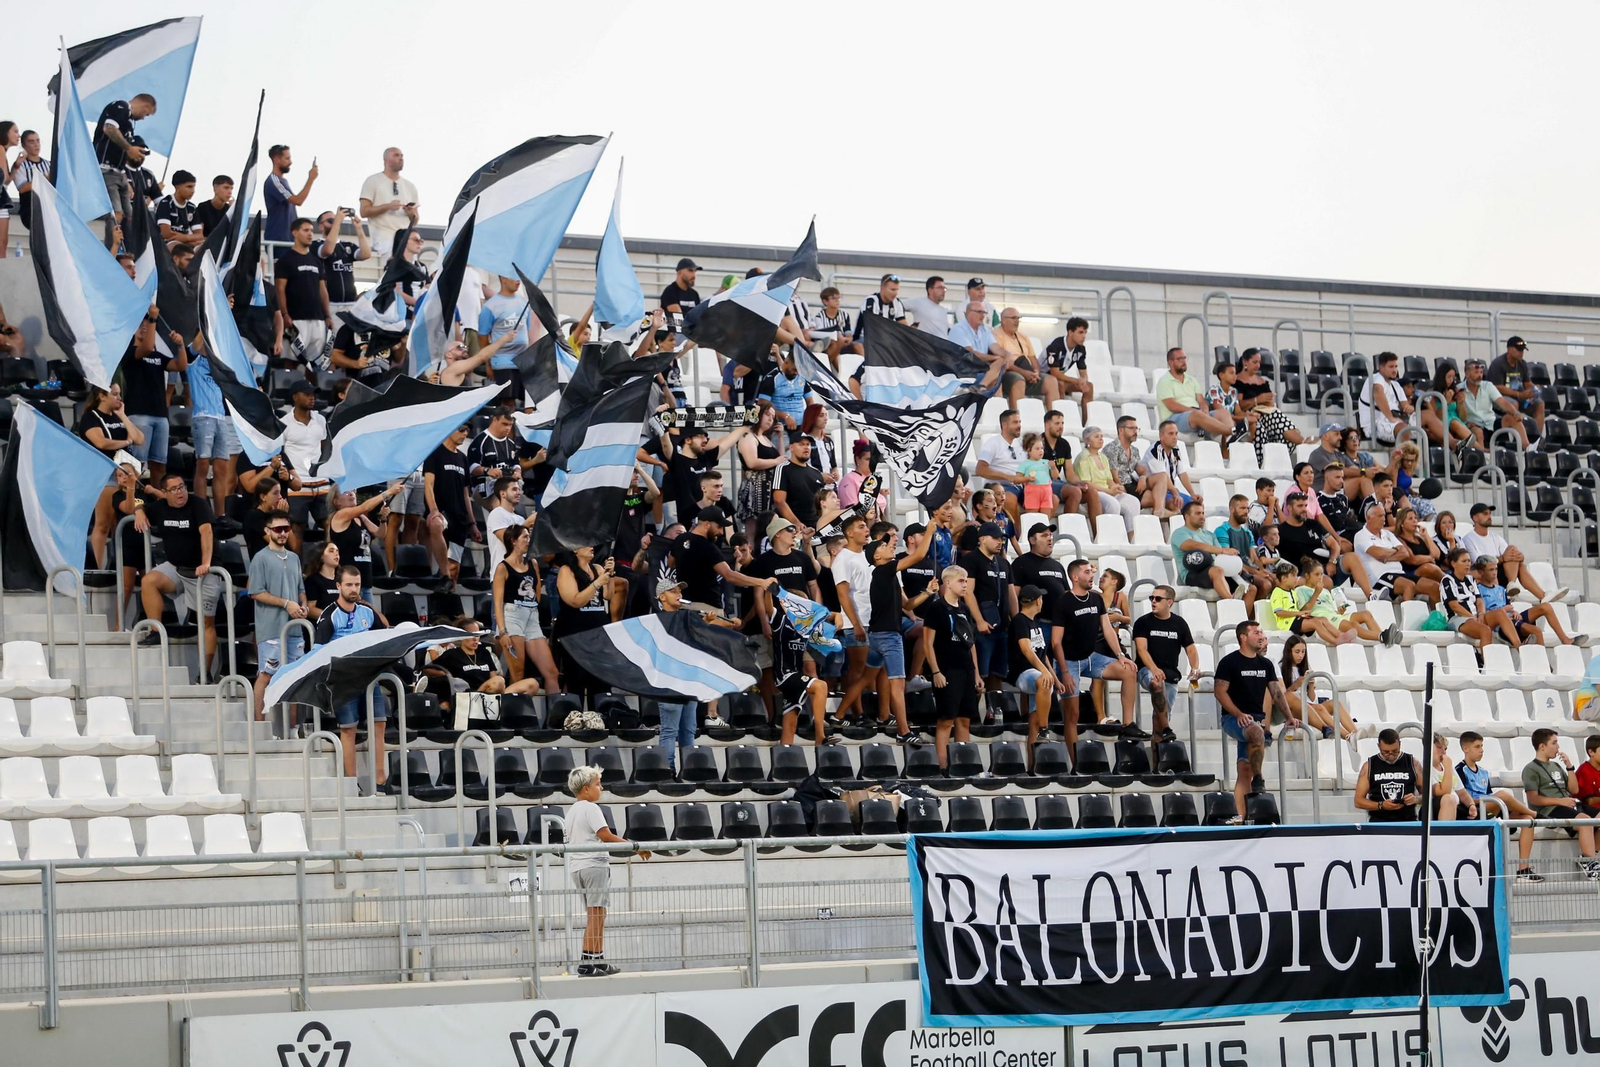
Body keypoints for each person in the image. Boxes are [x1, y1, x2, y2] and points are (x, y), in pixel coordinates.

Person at [564, 764, 649, 976]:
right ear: (585, 788)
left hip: (578, 866)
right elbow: (605, 835)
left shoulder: (572, 810)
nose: (601, 788)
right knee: (596, 914)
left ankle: (598, 958)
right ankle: (587, 961)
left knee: (598, 913)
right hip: (594, 865)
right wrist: (634, 847)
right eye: (597, 784)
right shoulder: (591, 808)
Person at [1214, 620, 1299, 822]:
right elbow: (1219, 691)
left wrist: (1288, 717)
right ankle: (1260, 779)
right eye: (1256, 632)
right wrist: (1238, 714)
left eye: (1262, 632)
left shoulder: (1266, 664)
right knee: (1257, 732)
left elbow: (1276, 692)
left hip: (1256, 720)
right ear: (1243, 637)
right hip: (1232, 719)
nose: (1261, 636)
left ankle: (1241, 818)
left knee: (1245, 770)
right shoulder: (1229, 662)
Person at [310, 566, 388, 785]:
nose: (354, 589)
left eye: (357, 585)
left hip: (369, 678)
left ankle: (381, 781)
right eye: (349, 585)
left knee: (379, 724)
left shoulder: (367, 611)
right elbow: (318, 652)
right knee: (349, 729)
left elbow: (384, 635)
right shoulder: (329, 615)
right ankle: (351, 783)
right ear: (338, 586)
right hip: (343, 680)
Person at [1051, 559, 1140, 748]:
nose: (1091, 575)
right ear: (1075, 577)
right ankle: (1075, 763)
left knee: (1129, 670)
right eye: (1086, 572)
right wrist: (1065, 672)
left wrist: (1120, 655)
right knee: (1072, 715)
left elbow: (1107, 629)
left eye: (1091, 571)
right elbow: (1056, 641)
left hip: (1090, 657)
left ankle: (1127, 725)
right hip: (1069, 661)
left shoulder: (1096, 598)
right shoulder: (1064, 601)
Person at [866, 530, 935, 743]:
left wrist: (927, 593)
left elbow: (907, 605)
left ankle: (840, 715)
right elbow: (918, 556)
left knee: (865, 678)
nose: (889, 546)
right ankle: (903, 732)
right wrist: (931, 529)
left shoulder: (886, 575)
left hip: (876, 636)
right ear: (876, 557)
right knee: (897, 685)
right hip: (888, 637)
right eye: (883, 545)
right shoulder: (884, 570)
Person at [1453, 730, 1541, 879]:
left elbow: (1488, 794)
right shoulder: (1460, 770)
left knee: (1527, 820)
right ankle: (1536, 814)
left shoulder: (1483, 772)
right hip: (1471, 812)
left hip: (1488, 808)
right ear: (1465, 749)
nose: (1481, 750)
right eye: (1477, 747)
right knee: (1503, 795)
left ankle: (1523, 870)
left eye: (1482, 746)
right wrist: (1486, 799)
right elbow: (1462, 798)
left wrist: (1490, 799)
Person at [248, 515, 307, 718]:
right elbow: (255, 591)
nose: (282, 533)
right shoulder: (260, 558)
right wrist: (286, 603)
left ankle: (293, 728)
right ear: (268, 531)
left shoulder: (294, 558)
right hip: (271, 627)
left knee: (295, 676)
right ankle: (258, 725)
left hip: (294, 628)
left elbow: (301, 589)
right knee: (266, 674)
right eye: (278, 529)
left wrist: (303, 605)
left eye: (286, 529)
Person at [920, 566, 980, 767]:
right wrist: (936, 671)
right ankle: (943, 766)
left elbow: (970, 643)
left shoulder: (964, 609)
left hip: (966, 669)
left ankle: (963, 765)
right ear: (948, 583)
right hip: (947, 669)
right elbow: (927, 643)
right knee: (946, 720)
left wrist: (977, 674)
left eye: (965, 581)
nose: (965, 585)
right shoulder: (936, 609)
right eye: (961, 581)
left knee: (964, 720)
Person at [1521, 727, 1600, 879]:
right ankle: (1590, 862)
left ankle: (1591, 855)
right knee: (1585, 820)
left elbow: (1574, 789)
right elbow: (1533, 799)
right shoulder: (1531, 768)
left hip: (1569, 803)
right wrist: (1560, 801)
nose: (1558, 747)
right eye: (1554, 743)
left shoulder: (1556, 766)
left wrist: (1569, 767)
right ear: (1542, 746)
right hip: (1550, 808)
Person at [1131, 585, 1199, 745]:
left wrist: (1195, 668)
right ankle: (1168, 728)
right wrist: (1154, 669)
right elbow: (1141, 649)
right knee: (1156, 683)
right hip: (1147, 669)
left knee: (1159, 720)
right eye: (1151, 598)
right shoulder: (1143, 622)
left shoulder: (1179, 623)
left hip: (1170, 674)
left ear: (1170, 602)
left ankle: (1157, 763)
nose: (1153, 601)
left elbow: (1191, 649)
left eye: (1158, 599)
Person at [1461, 502, 1563, 604]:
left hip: (1497, 573)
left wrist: (1520, 557)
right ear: (1475, 518)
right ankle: (1532, 593)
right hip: (1483, 575)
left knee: (1513, 551)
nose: (1489, 516)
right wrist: (1502, 559)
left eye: (1489, 514)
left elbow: (1509, 555)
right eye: (1485, 514)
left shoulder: (1495, 537)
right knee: (1514, 561)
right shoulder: (1468, 539)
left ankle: (1521, 588)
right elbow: (1479, 563)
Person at [1475, 555, 1586, 647]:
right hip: (1502, 626)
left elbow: (1509, 606)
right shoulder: (1478, 590)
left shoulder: (1500, 589)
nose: (1494, 573)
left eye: (1495, 569)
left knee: (1545, 606)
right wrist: (1505, 611)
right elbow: (1483, 616)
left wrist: (1514, 612)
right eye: (1491, 570)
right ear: (1481, 572)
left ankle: (1565, 639)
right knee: (1537, 631)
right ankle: (1544, 666)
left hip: (1513, 619)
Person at [92, 93, 157, 247]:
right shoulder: (120, 106)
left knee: (129, 215)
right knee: (116, 213)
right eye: (146, 114)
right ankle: (112, 247)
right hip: (106, 169)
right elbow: (109, 128)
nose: (143, 118)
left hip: (118, 172)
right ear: (145, 106)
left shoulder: (128, 123)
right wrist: (129, 148)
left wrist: (124, 177)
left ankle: (127, 246)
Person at [274, 218, 334, 361]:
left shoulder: (316, 261)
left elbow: (322, 290)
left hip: (317, 319)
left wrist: (327, 315)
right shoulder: (285, 260)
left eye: (312, 231)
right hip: (295, 319)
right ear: (295, 233)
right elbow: (279, 289)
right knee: (291, 361)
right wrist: (285, 314)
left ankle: (313, 385)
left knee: (317, 363)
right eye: (306, 230)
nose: (310, 234)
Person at [1279, 633, 1355, 741]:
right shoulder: (1281, 668)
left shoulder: (1304, 667)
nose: (1300, 655)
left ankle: (1355, 733)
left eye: (1303, 652)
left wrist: (1311, 686)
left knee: (1335, 703)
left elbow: (1312, 699)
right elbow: (1282, 695)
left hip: (1308, 704)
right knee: (1319, 708)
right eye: (1297, 652)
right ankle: (1347, 736)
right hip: (1294, 709)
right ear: (1289, 651)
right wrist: (1296, 685)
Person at [423, 426, 475, 585]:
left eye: (468, 431)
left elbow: (466, 494)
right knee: (436, 524)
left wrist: (472, 523)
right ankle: (443, 573)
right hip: (442, 510)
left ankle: (450, 600)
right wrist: (433, 510)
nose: (465, 434)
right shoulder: (435, 453)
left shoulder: (463, 458)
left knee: (455, 571)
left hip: (459, 515)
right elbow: (428, 485)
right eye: (462, 430)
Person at [1439, 547, 1515, 649]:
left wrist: (1481, 614)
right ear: (1453, 563)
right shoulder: (1447, 580)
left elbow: (1479, 601)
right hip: (1457, 618)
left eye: (1469, 561)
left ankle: (1519, 647)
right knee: (1485, 630)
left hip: (1474, 616)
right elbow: (1454, 605)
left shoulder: (1471, 579)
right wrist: (1472, 617)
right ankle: (1486, 662)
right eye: (1464, 561)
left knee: (1500, 613)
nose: (1468, 564)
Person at [1171, 500, 1245, 602]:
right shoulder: (1179, 533)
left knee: (1252, 587)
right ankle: (1230, 602)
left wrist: (1234, 565)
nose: (1202, 516)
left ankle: (1244, 615)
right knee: (1217, 571)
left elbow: (1220, 555)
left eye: (1203, 513)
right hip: (1192, 572)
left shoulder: (1209, 534)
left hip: (1214, 570)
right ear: (1187, 516)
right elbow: (1193, 545)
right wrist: (1222, 550)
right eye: (1197, 513)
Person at [1156, 347, 1234, 440]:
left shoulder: (1192, 380)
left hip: (1196, 415)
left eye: (1185, 358)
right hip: (1173, 419)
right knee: (1198, 415)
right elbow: (1172, 406)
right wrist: (1193, 410)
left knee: (1223, 413)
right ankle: (1233, 432)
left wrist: (1205, 409)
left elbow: (1201, 400)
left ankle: (1230, 443)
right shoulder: (1164, 381)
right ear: (1170, 362)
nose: (1184, 362)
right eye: (1179, 359)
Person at [1074, 426, 1140, 533]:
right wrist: (1109, 491)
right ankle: (1109, 535)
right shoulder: (1083, 458)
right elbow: (1087, 483)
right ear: (1087, 440)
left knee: (1133, 502)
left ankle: (1130, 538)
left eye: (1101, 436)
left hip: (1107, 491)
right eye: (1096, 437)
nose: (1101, 439)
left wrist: (1115, 487)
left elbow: (1109, 479)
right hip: (1094, 493)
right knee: (1112, 504)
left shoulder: (1103, 457)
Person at [358, 147, 419, 260]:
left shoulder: (410, 186)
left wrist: (411, 213)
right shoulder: (372, 181)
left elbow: (415, 221)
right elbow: (364, 211)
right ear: (386, 159)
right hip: (384, 240)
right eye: (396, 155)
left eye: (402, 155)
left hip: (406, 240)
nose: (400, 158)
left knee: (413, 272)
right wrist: (388, 206)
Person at [1353, 503, 1419, 603]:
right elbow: (1379, 554)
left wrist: (1386, 557)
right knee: (1409, 585)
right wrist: (1395, 549)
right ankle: (1410, 618)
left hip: (1399, 574)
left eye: (1384, 515)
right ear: (1368, 518)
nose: (1384, 518)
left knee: (1433, 586)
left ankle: (1439, 618)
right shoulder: (1361, 535)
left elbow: (1405, 553)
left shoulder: (1388, 533)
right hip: (1379, 578)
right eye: (1380, 516)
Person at [1100, 415, 1164, 518]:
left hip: (1133, 483)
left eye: (1136, 428)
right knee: (1160, 498)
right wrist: (1124, 493)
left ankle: (1158, 511)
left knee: (1161, 476)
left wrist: (1143, 478)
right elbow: (1114, 477)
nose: (1135, 431)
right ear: (1121, 430)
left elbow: (1143, 470)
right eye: (1131, 428)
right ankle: (1159, 512)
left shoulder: (1134, 450)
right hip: (1123, 486)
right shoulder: (1111, 449)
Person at [1355, 729, 1423, 823]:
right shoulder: (1369, 766)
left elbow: (1427, 795)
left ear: (1400, 744)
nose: (1391, 755)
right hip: (1379, 821)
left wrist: (1415, 799)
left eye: (1395, 751)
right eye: (1386, 752)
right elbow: (1358, 801)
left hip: (1408, 821)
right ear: (1379, 747)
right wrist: (1381, 805)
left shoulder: (1412, 763)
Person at [974, 409, 1029, 525]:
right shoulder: (992, 443)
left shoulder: (1021, 444)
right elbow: (980, 469)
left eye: (1020, 422)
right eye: (1015, 422)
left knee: (1049, 497)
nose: (1019, 426)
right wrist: (1007, 477)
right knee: (1008, 498)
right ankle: (1017, 537)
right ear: (1004, 425)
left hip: (1022, 484)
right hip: (1001, 486)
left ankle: (1036, 533)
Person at [1487, 337, 1545, 444]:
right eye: (1519, 350)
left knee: (1539, 404)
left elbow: (1526, 382)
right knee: (1514, 404)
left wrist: (1534, 390)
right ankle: (1517, 440)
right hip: (1498, 398)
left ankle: (1537, 438)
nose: (1521, 353)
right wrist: (1519, 394)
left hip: (1518, 396)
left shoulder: (1522, 364)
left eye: (1522, 350)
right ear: (1509, 349)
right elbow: (1498, 387)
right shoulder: (1498, 364)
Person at [316, 207, 372, 315]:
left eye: (336, 220)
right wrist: (337, 221)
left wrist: (359, 229)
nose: (335, 222)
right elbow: (327, 250)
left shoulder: (347, 245)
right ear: (320, 226)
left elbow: (366, 254)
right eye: (331, 221)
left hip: (350, 302)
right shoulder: (316, 244)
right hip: (329, 303)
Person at [1460, 356, 1525, 448]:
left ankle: (1527, 446)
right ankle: (1483, 457)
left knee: (1512, 418)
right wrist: (1466, 423)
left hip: (1490, 423)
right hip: (1472, 425)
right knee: (1478, 432)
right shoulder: (1458, 389)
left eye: (1481, 373)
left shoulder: (1488, 386)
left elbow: (1503, 402)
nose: (1479, 376)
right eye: (1476, 372)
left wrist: (1515, 412)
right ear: (1467, 373)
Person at [1145, 419, 1202, 515]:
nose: (1175, 437)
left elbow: (1182, 473)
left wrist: (1193, 494)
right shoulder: (1155, 450)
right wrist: (1175, 493)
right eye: (1171, 434)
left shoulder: (1175, 449)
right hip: (1155, 491)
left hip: (1170, 491)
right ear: (1161, 435)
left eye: (1176, 434)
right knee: (1176, 503)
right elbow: (1163, 477)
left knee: (1197, 506)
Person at [262, 145, 317, 242]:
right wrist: (311, 179)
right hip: (279, 239)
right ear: (277, 159)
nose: (290, 162)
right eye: (287, 158)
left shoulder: (282, 181)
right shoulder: (274, 181)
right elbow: (298, 200)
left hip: (289, 239)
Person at [1039, 410, 1089, 519]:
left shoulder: (1064, 444)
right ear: (1047, 424)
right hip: (1041, 483)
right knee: (1074, 491)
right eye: (1057, 423)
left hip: (1056, 482)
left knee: (1091, 492)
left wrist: (1078, 482)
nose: (1061, 427)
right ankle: (1068, 527)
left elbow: (1069, 472)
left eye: (1062, 423)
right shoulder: (1038, 443)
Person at [1041, 316, 1094, 416]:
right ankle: (1060, 419)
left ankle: (1087, 423)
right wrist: (1077, 381)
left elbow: (1083, 372)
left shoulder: (1081, 349)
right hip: (1044, 377)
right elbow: (1054, 373)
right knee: (1060, 383)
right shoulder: (1055, 345)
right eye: (1080, 332)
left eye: (1085, 332)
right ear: (1070, 332)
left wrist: (1083, 381)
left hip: (1059, 379)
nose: (1084, 336)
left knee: (1089, 386)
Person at [1358, 352, 1410, 446]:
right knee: (1404, 429)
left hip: (1395, 420)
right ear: (1381, 368)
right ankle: (1405, 460)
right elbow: (1378, 394)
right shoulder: (1375, 379)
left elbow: (1405, 404)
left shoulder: (1396, 385)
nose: (1395, 370)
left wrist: (1408, 407)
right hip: (1375, 425)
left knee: (1427, 416)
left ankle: (1445, 449)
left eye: (1396, 366)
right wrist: (1391, 418)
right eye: (1391, 367)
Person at [154, 169, 203, 248]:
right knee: (176, 245)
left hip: (186, 242)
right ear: (177, 187)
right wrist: (189, 240)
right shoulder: (166, 203)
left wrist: (186, 238)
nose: (193, 191)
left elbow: (199, 235)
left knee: (203, 245)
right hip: (166, 244)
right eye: (189, 187)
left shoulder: (192, 207)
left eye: (194, 187)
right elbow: (166, 234)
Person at [1427, 733, 1461, 823]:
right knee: (1449, 799)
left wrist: (1471, 805)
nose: (1444, 752)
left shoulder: (1448, 766)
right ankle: (1444, 835)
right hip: (1433, 807)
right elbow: (1443, 791)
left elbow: (1462, 792)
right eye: (1439, 748)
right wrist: (1448, 767)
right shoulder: (1423, 767)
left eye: (1445, 749)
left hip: (1455, 805)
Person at [303, 542, 341, 620]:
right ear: (322, 557)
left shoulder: (341, 579)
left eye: (337, 551)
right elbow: (310, 609)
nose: (336, 554)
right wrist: (333, 617)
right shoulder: (313, 580)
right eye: (331, 551)